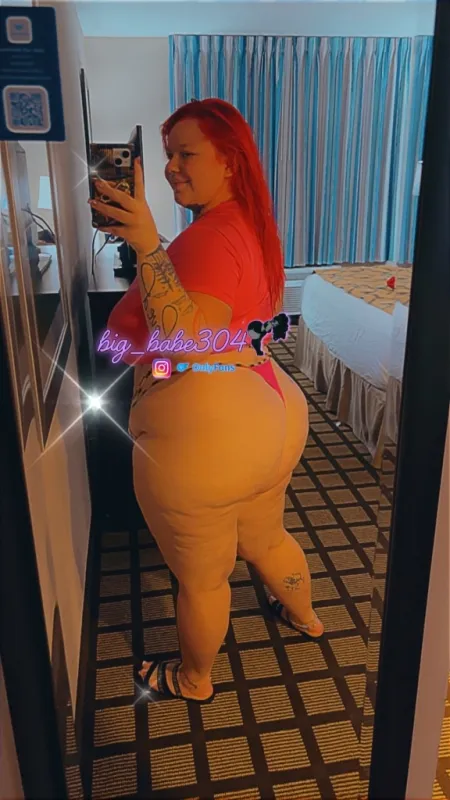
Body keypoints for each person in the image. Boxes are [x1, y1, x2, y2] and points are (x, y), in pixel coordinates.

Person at [89, 98, 324, 705]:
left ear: (230, 161)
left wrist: (149, 248)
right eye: (168, 154)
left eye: (186, 154)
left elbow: (184, 340)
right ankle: (306, 616)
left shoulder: (212, 237)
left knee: (203, 577)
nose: (170, 167)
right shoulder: (247, 223)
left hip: (210, 434)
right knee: (266, 537)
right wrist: (162, 249)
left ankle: (194, 680)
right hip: (270, 407)